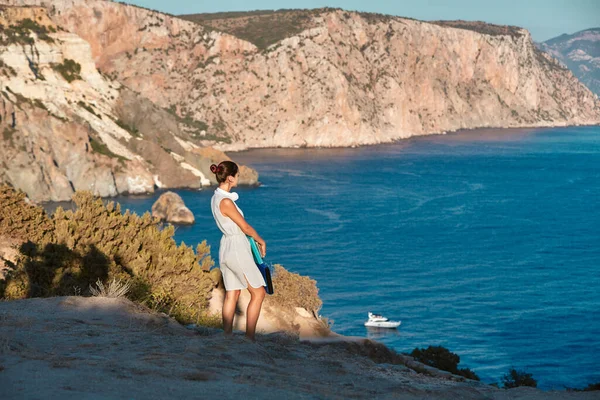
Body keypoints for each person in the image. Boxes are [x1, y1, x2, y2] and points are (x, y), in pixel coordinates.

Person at [209, 161, 267, 341]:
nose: (239, 178)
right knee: (259, 293)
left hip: (226, 247)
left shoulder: (215, 197)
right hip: (236, 248)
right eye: (238, 175)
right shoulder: (226, 201)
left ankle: (227, 336)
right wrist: (260, 240)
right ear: (230, 178)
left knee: (232, 294)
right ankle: (250, 339)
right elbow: (245, 227)